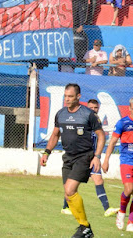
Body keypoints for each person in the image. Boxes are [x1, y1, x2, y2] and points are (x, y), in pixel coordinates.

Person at [40, 84, 105, 238]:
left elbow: (101, 136)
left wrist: (97, 156)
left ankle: (84, 227)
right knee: (69, 195)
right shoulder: (60, 114)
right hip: (68, 157)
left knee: (70, 190)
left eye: (70, 96)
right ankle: (85, 227)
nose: (67, 99)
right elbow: (55, 135)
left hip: (84, 157)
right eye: (65, 96)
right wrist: (46, 153)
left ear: (78, 97)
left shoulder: (88, 115)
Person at [61, 99, 119, 217]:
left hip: (92, 158)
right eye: (91, 108)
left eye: (96, 108)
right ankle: (65, 207)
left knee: (98, 181)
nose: (93, 110)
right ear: (87, 108)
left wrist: (98, 156)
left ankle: (107, 209)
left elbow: (100, 140)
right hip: (80, 158)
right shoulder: (82, 121)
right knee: (71, 185)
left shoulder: (97, 124)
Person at [102, 97, 133, 232]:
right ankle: (121, 212)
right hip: (127, 161)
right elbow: (113, 142)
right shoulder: (123, 123)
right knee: (129, 189)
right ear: (130, 108)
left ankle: (131, 222)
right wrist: (106, 159)